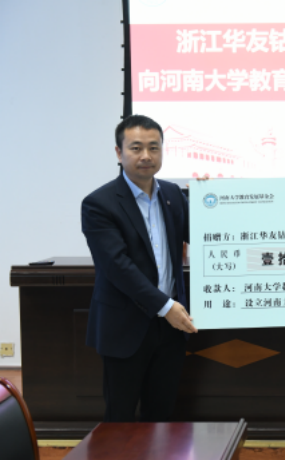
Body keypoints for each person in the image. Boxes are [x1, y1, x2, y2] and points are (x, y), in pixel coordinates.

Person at [81, 115, 198, 422]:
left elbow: (202, 236)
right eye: (136, 148)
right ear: (119, 153)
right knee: (120, 419)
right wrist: (165, 306)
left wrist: (212, 201)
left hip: (171, 329)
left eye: (153, 147)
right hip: (125, 326)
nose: (146, 155)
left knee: (161, 415)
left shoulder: (173, 195)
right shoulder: (99, 203)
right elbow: (117, 266)